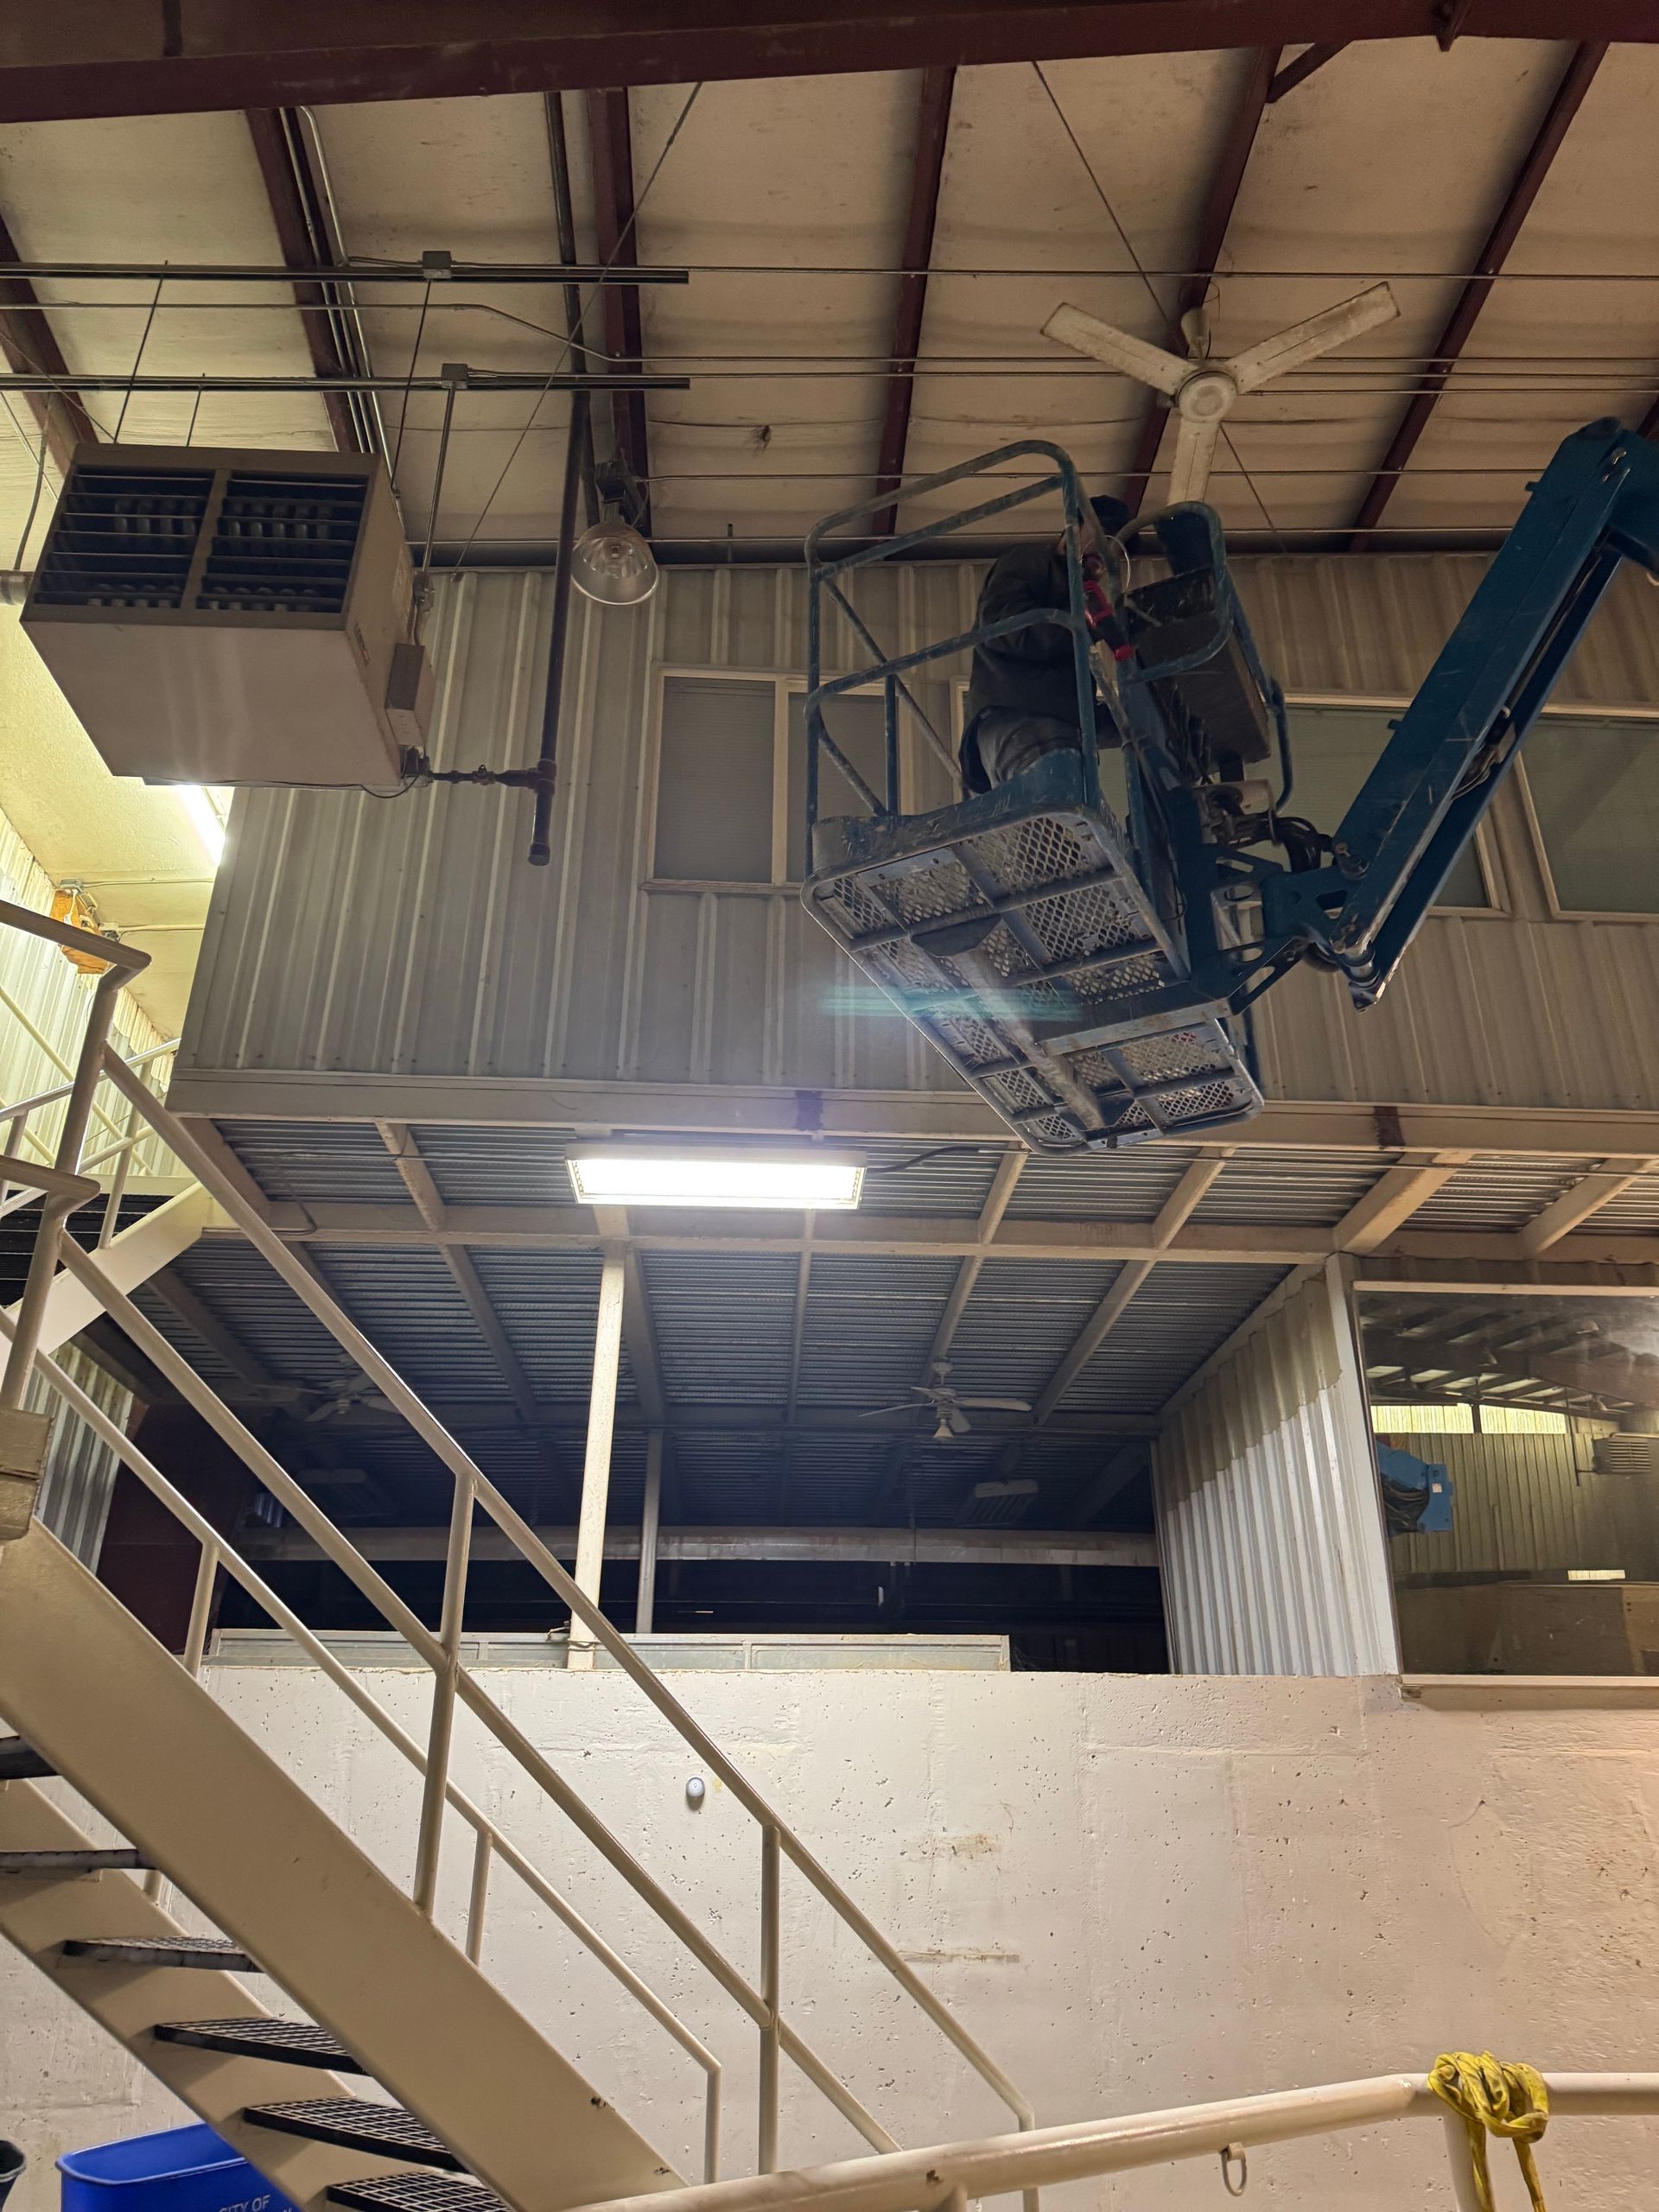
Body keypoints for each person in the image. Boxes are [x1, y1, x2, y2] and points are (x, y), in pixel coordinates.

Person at [959, 493, 1131, 794]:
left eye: (1118, 547)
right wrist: (1082, 628)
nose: (1110, 549)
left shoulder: (1079, 600)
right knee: (1060, 805)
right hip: (1017, 724)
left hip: (1052, 730)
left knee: (1146, 731)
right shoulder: (1032, 561)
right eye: (1105, 535)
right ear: (1072, 529)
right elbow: (1004, 629)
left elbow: (1072, 711)